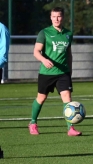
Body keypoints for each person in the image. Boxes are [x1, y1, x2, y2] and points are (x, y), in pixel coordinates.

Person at [28, 7, 81, 136]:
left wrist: (70, 69)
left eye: (59, 16)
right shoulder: (44, 32)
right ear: (50, 18)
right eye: (54, 16)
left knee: (67, 98)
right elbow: (36, 51)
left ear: (63, 17)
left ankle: (70, 128)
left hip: (63, 73)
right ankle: (33, 123)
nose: (56, 19)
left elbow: (69, 54)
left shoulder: (68, 34)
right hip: (46, 73)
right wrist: (43, 60)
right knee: (41, 98)